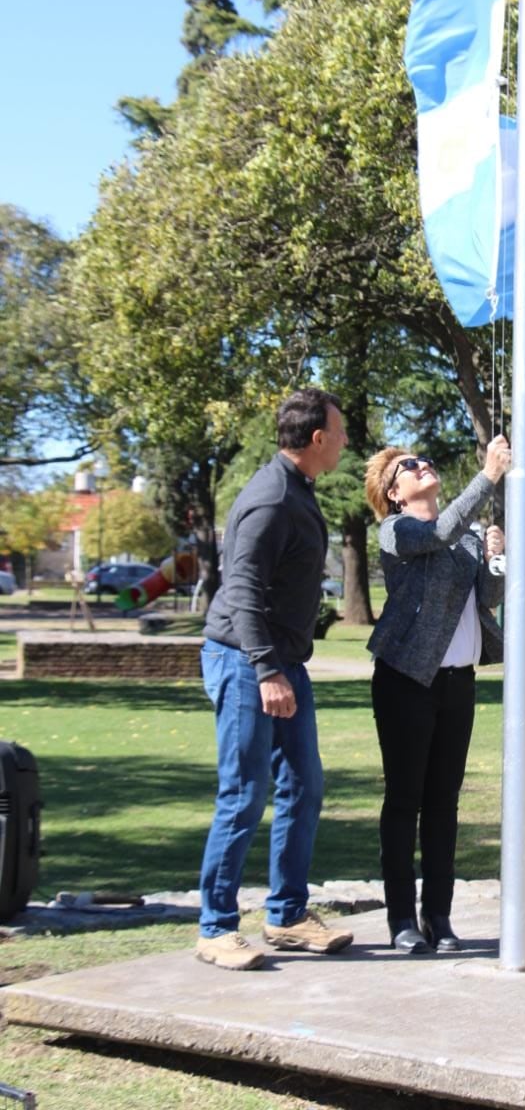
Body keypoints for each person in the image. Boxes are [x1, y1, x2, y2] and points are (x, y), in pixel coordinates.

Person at [196, 388, 354, 970]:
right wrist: (265, 670)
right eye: (338, 433)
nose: (343, 442)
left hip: (281, 662)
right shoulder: (270, 499)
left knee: (304, 786)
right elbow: (240, 590)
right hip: (246, 662)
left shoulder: (296, 491)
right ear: (316, 439)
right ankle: (215, 928)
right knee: (243, 794)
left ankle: (287, 915)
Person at [364, 434, 510, 954]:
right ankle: (402, 919)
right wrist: (488, 475)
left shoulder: (465, 537)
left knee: (443, 805)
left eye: (424, 460)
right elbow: (440, 531)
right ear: (395, 492)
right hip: (405, 681)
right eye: (410, 465)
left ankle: (439, 919)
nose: (422, 465)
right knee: (405, 802)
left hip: (456, 684)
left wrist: (495, 558)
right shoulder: (395, 532)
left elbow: (488, 599)